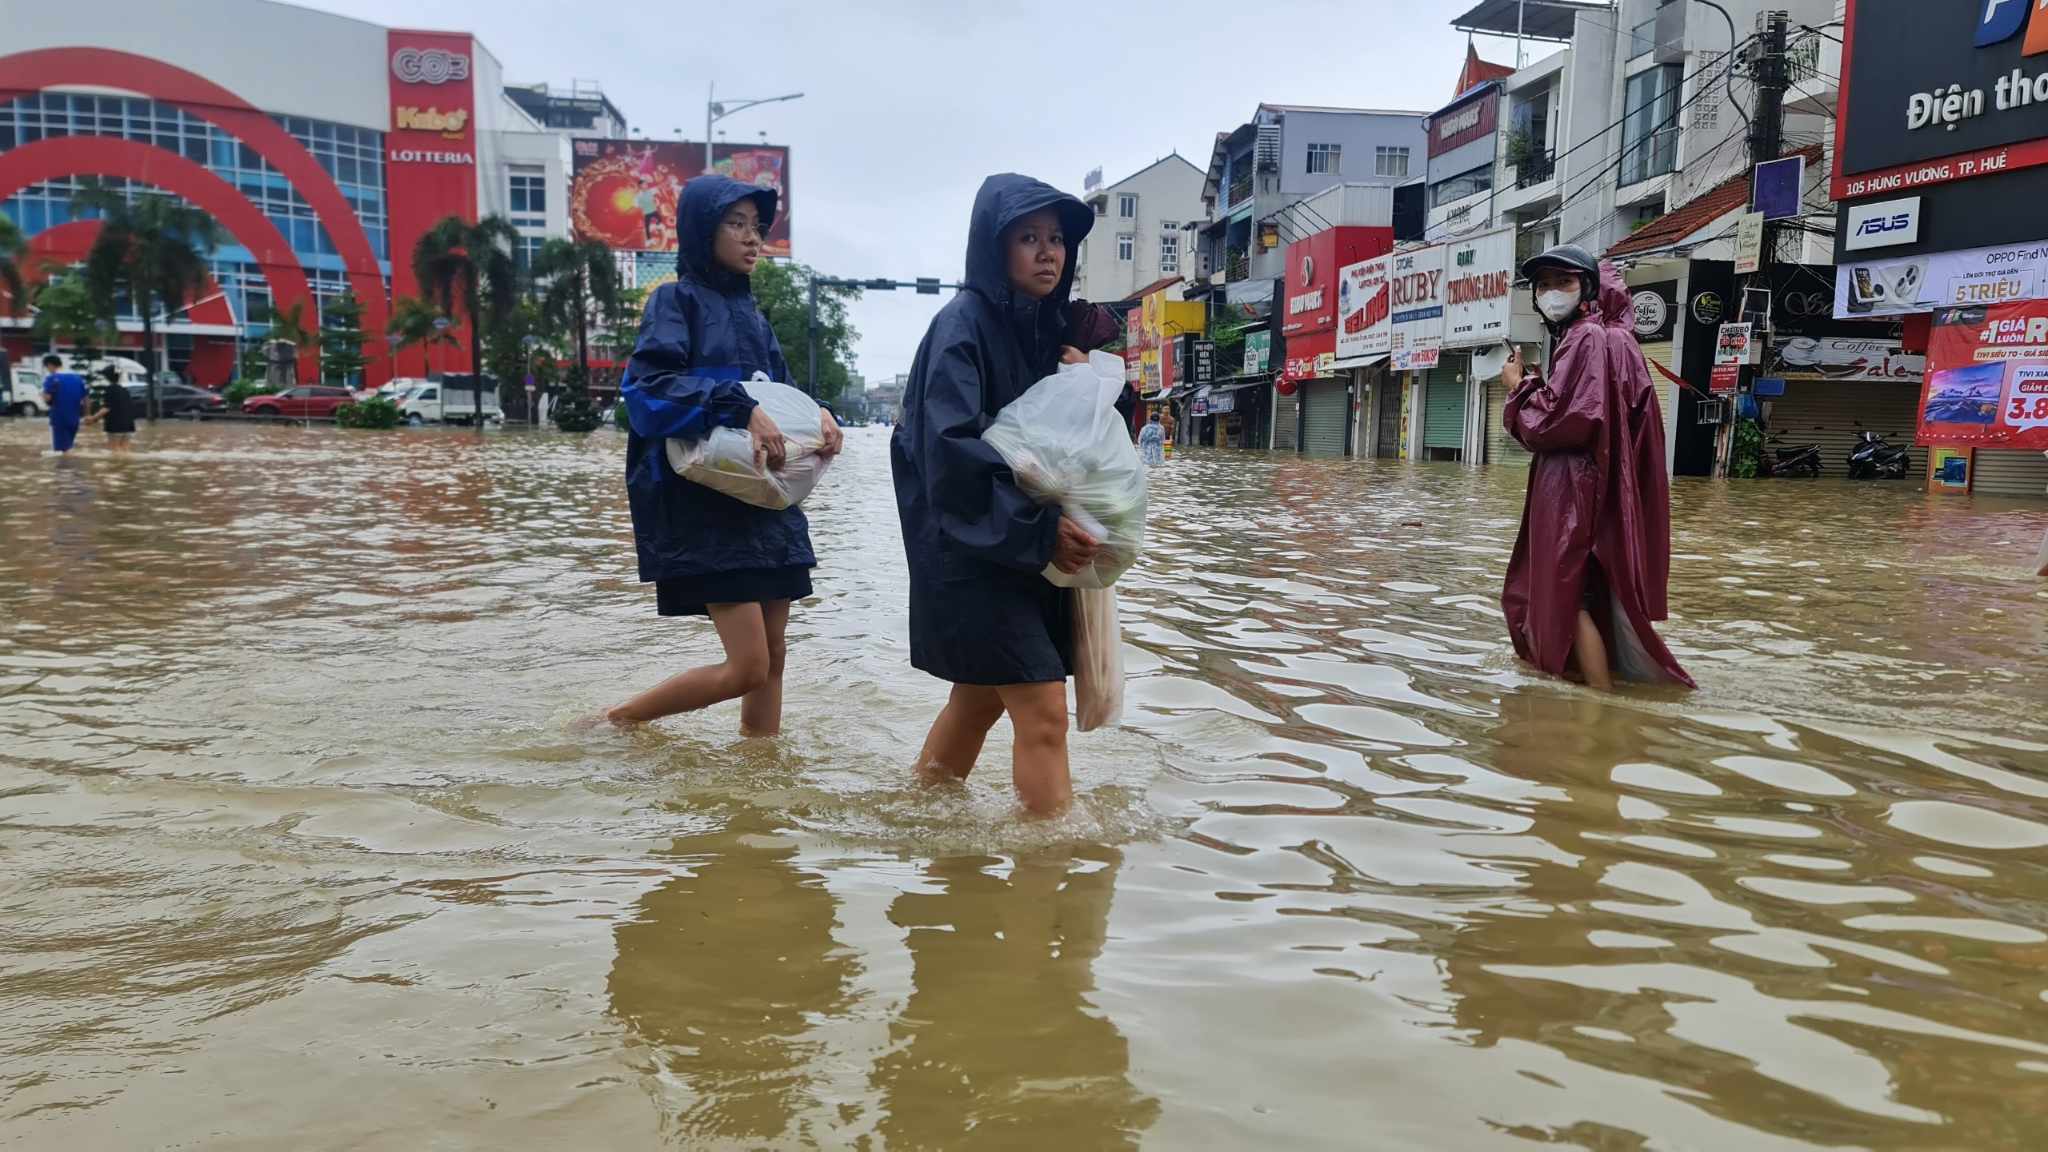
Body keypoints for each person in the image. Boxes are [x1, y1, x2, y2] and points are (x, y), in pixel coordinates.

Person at [892, 173, 1129, 815]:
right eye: (1029, 238)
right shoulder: (960, 328)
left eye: (1056, 239)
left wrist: (1089, 382)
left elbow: (1080, 445)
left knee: (978, 703)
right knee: (1043, 708)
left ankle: (919, 822)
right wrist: (1037, 529)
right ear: (994, 247)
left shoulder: (1054, 334)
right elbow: (948, 455)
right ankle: (1052, 865)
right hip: (972, 549)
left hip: (1026, 548)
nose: (1047, 252)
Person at [603, 174, 842, 731]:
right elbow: (646, 392)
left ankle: (757, 782)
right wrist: (734, 405)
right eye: (736, 224)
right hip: (706, 508)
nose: (753, 238)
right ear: (701, 230)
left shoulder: (756, 318)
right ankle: (617, 721)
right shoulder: (673, 301)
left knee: (775, 659)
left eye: (757, 227)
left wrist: (823, 413)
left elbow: (784, 396)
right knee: (748, 667)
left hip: (766, 500)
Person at [1500, 244, 1693, 691]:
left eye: (1562, 282)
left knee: (1568, 597)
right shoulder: (1617, 339)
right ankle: (1601, 692)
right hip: (1598, 486)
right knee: (1585, 591)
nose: (1551, 293)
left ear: (1588, 287)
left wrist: (1519, 386)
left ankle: (1598, 702)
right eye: (1543, 285)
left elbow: (1560, 421)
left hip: (1572, 488)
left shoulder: (1586, 337)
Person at [40, 355, 88, 455]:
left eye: (47, 367)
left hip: (59, 419)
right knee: (68, 447)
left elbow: (47, 398)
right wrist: (87, 415)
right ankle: (73, 469)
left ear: (50, 365)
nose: (48, 370)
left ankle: (65, 469)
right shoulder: (77, 378)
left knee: (61, 453)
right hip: (75, 419)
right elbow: (86, 399)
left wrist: (43, 395)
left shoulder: (52, 378)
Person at [94, 365, 137, 451]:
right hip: (129, 425)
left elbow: (106, 408)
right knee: (125, 450)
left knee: (114, 450)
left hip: (115, 426)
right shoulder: (125, 390)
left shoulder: (110, 389)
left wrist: (93, 418)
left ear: (107, 377)